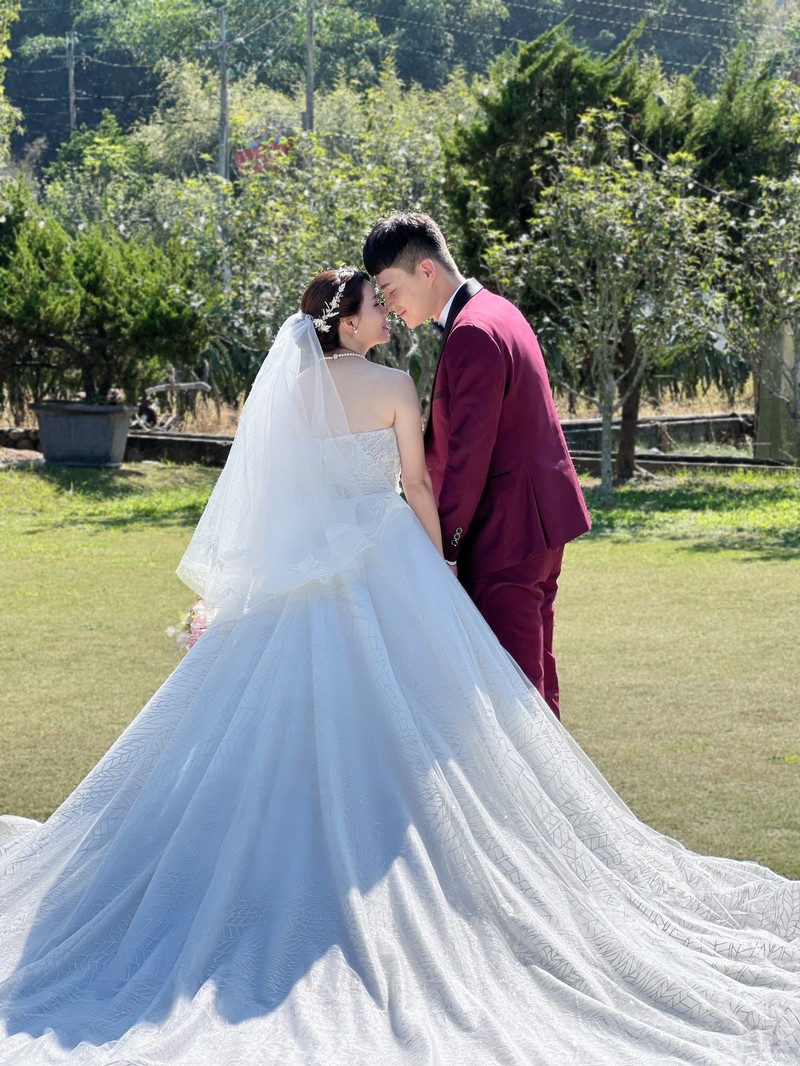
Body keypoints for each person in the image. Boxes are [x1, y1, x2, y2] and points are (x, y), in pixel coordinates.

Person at [0, 267, 797, 1066]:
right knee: (416, 709)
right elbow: (415, 483)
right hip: (384, 553)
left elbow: (275, 493)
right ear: (347, 325)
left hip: (301, 563)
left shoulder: (288, 391)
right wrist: (439, 567)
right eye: (374, 306)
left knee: (276, 716)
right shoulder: (391, 386)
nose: (386, 313)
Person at [363, 213, 591, 719]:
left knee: (514, 691)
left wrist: (444, 549)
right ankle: (552, 772)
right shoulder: (499, 310)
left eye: (390, 289)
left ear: (426, 270)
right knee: (536, 678)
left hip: (506, 535)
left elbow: (468, 456)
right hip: (536, 526)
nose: (390, 306)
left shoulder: (473, 332)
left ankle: (536, 775)